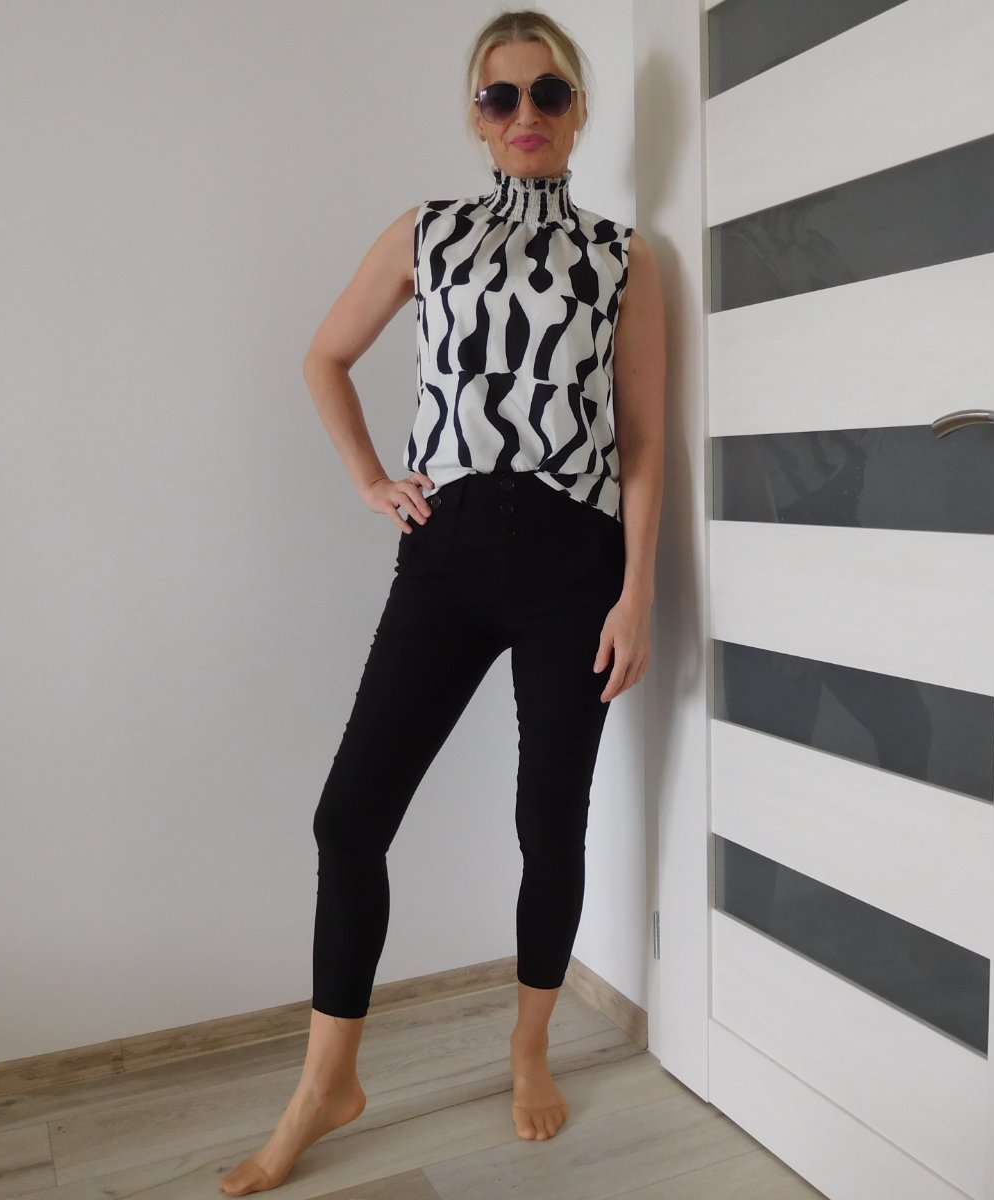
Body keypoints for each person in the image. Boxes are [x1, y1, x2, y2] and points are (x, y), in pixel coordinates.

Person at [219, 9, 666, 1195]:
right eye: (500, 97)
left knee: (548, 821)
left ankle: (529, 1049)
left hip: (575, 564)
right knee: (348, 819)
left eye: (548, 94)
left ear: (579, 110)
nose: (525, 115)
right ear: (474, 116)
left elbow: (642, 445)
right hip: (447, 553)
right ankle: (327, 1084)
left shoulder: (624, 258)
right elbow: (323, 356)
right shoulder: (428, 233)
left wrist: (636, 593)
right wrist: (372, 479)